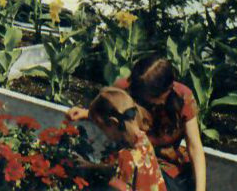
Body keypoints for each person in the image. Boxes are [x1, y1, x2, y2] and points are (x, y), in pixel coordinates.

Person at [68, 56, 205, 191]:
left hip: (166, 166)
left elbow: (194, 147)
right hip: (140, 160)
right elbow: (113, 112)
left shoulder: (182, 97)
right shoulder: (129, 88)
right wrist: (87, 113)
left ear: (166, 91)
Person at [89, 86, 167, 191]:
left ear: (113, 123)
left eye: (102, 128)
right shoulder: (142, 139)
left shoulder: (126, 156)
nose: (103, 133)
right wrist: (90, 166)